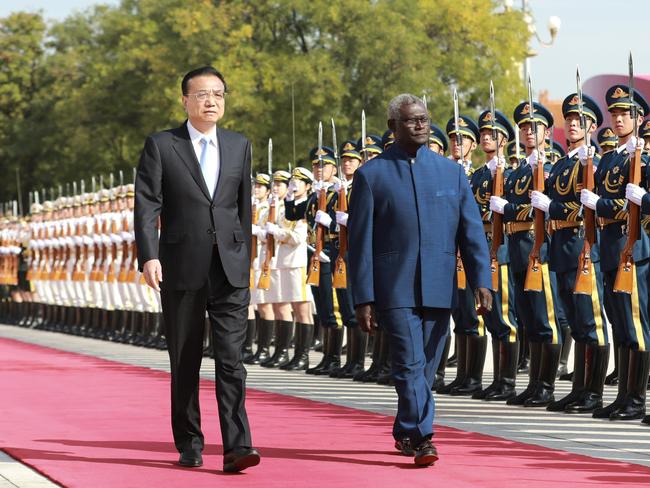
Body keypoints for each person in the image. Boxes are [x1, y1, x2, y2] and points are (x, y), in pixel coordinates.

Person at [348, 93, 492, 466]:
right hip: (393, 287)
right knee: (409, 363)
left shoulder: (450, 172)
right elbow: (359, 243)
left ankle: (405, 430)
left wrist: (482, 280)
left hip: (440, 285)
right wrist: (363, 298)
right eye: (411, 120)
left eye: (425, 119)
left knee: (426, 365)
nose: (421, 125)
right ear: (393, 127)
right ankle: (425, 436)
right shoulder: (370, 175)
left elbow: (471, 231)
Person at [134, 66, 260, 472]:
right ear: (185, 100)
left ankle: (237, 445)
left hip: (230, 268)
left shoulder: (239, 145)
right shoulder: (162, 145)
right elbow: (147, 204)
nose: (212, 101)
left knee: (231, 359)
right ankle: (189, 441)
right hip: (181, 265)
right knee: (185, 358)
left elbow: (242, 209)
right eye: (203, 94)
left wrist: (245, 254)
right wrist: (149, 255)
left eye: (219, 94)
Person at [532, 93, 610, 413]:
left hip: (582, 244)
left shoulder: (594, 163)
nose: (574, 124)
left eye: (580, 120)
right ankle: (579, 389)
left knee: (591, 321)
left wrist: (552, 206)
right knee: (576, 322)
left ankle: (593, 391)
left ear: (592, 126)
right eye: (570, 120)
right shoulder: (564, 162)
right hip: (562, 245)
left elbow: (586, 204)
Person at [581, 84, 650, 421]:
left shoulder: (645, 160)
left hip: (631, 249)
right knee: (620, 325)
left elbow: (633, 202)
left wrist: (603, 203)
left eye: (626, 114)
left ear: (639, 118)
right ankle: (623, 395)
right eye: (617, 113)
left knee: (636, 326)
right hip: (609, 250)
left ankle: (636, 399)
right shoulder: (608, 159)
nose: (620, 119)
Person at [490, 100, 562, 408]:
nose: (528, 132)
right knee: (529, 321)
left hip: (539, 249)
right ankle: (533, 384)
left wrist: (508, 209)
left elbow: (541, 208)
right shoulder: (519, 170)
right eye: (523, 128)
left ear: (546, 131)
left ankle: (546, 385)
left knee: (545, 321)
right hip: (517, 249)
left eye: (534, 127)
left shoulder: (552, 166)